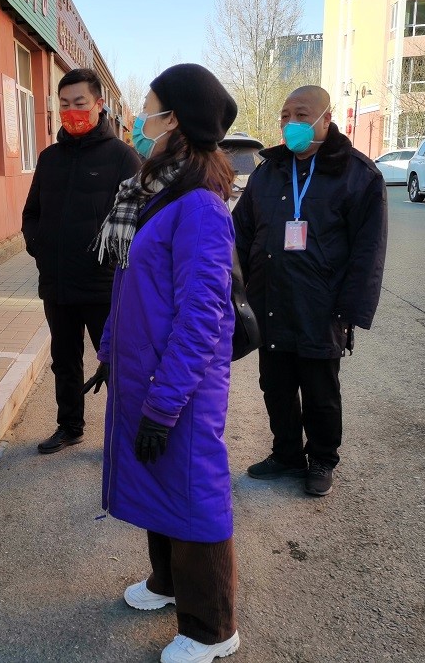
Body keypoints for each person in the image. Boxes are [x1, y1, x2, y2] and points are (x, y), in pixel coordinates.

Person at [95, 64, 241, 663]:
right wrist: (110, 349)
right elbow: (131, 282)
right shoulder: (160, 191)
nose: (140, 118)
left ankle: (212, 629)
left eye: (149, 106)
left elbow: (202, 316)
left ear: (174, 118)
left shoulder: (200, 206)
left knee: (193, 494)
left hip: (179, 384)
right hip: (147, 374)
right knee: (157, 481)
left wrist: (163, 400)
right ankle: (168, 582)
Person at [232, 85, 387, 497]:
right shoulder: (269, 171)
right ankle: (286, 453)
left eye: (301, 115)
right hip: (270, 300)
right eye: (285, 116)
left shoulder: (358, 174)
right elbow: (240, 232)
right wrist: (234, 289)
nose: (291, 124)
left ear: (325, 119)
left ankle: (321, 458)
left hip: (322, 307)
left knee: (320, 391)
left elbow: (369, 250)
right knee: (275, 386)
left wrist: (351, 310)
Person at [22, 68, 141, 455]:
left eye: (80, 103)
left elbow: (138, 220)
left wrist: (112, 263)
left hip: (103, 286)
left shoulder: (123, 158)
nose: (72, 111)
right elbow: (32, 213)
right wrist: (39, 246)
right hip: (57, 284)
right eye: (64, 104)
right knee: (64, 361)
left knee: (117, 363)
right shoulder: (49, 158)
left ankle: (123, 435)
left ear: (99, 105)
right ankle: (69, 426)